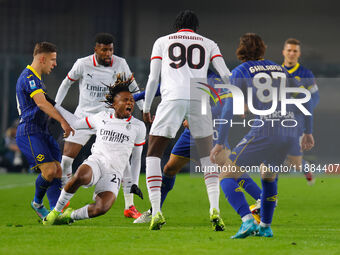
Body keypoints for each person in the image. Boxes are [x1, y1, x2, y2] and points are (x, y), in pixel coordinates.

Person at [216, 33, 314, 238]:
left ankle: (247, 220)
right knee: (268, 177)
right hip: (288, 130)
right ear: (263, 49)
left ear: (241, 50)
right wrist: (307, 132)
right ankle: (266, 227)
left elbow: (228, 109)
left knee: (226, 175)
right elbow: (304, 100)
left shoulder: (240, 71)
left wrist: (220, 141)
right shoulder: (280, 69)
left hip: (264, 130)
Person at [134, 71, 262, 225]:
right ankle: (155, 211)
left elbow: (222, 106)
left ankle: (263, 199)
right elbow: (158, 89)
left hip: (209, 131)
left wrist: (196, 117)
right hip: (189, 136)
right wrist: (130, 97)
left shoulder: (215, 79)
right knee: (169, 169)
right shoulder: (183, 74)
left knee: (230, 171)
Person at [143, 10, 231, 230]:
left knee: (153, 153)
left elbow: (153, 77)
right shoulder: (209, 43)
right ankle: (214, 210)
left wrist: (146, 107)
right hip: (199, 97)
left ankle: (156, 212)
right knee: (207, 157)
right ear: (196, 28)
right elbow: (226, 74)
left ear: (176, 27)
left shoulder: (162, 42)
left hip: (172, 97)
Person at [55, 33, 144, 218]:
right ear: (96, 49)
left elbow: (134, 88)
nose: (108, 53)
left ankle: (130, 206)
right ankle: (64, 197)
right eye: (104, 49)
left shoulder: (121, 63)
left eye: (110, 49)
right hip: (85, 116)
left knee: (123, 160)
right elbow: (66, 83)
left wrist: (144, 110)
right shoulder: (82, 63)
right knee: (66, 159)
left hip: (110, 117)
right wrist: (56, 106)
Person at [43, 74, 146, 225]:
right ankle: (55, 212)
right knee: (81, 175)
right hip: (97, 161)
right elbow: (76, 123)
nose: (130, 102)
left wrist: (134, 183)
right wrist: (55, 105)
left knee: (102, 208)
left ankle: (69, 216)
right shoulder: (101, 117)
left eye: (131, 100)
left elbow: (136, 158)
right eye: (125, 100)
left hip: (114, 172)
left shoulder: (138, 127)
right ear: (114, 104)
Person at [15, 42, 74, 219]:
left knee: (57, 171)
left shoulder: (37, 79)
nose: (55, 64)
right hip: (29, 132)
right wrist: (63, 122)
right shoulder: (29, 78)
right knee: (48, 171)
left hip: (42, 132)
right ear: (42, 58)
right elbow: (41, 104)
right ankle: (37, 204)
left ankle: (56, 212)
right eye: (52, 60)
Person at [282, 38, 319, 185]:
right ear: (283, 52)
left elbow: (314, 97)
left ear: (299, 54)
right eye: (289, 50)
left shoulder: (306, 74)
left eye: (294, 51)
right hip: (276, 119)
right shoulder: (276, 72)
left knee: (293, 160)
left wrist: (304, 110)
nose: (291, 53)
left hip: (296, 121)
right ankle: (267, 196)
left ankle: (304, 167)